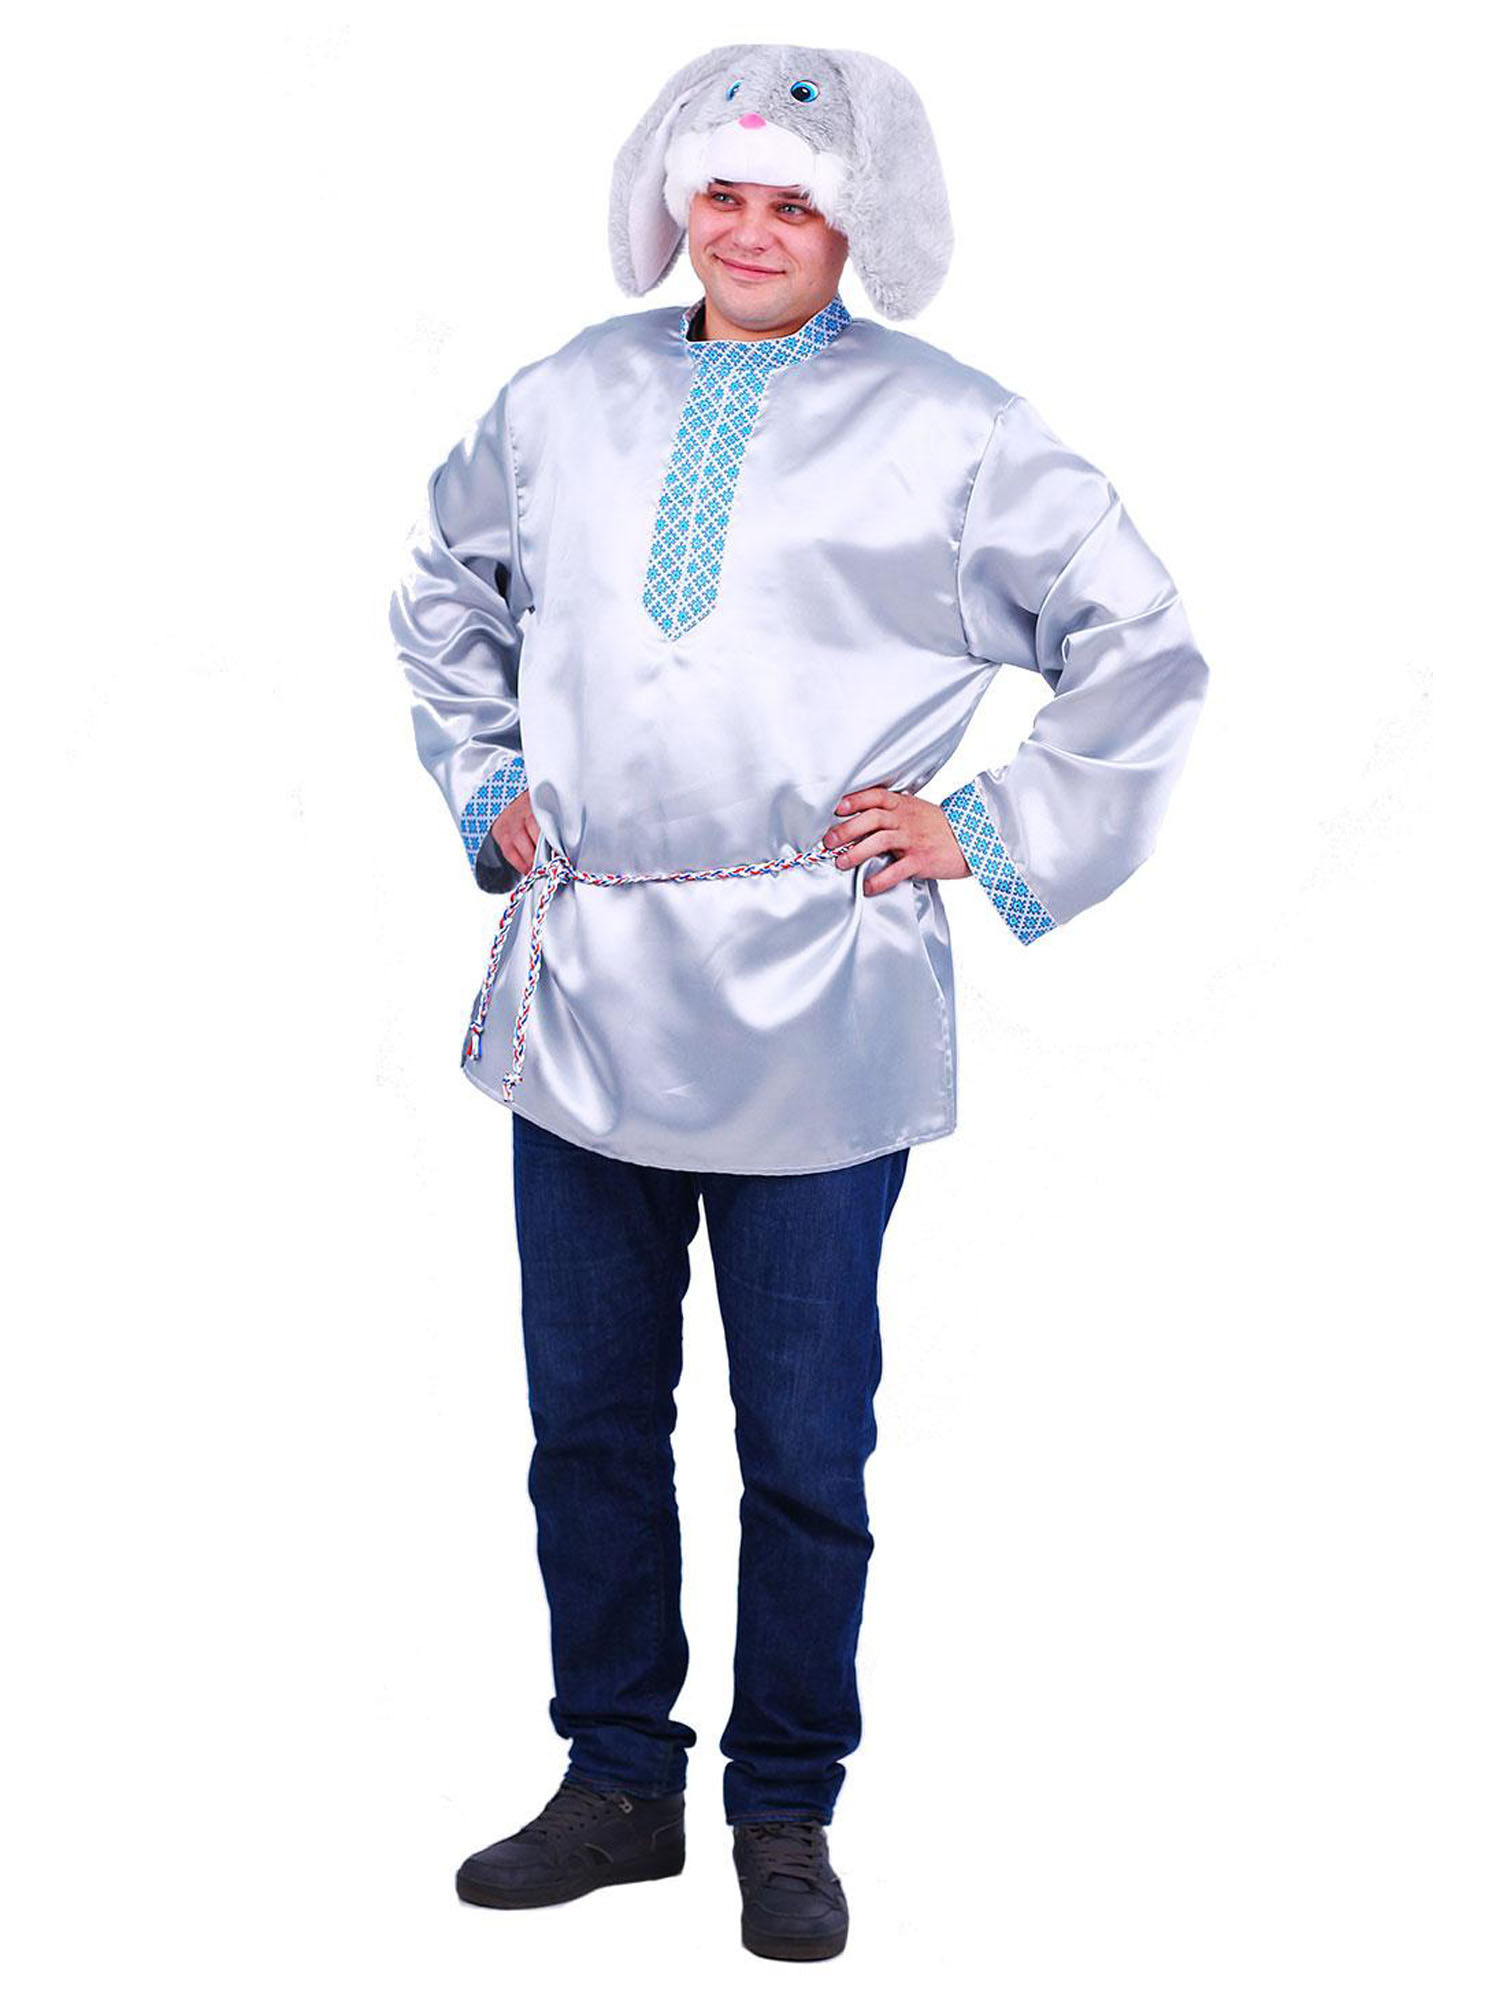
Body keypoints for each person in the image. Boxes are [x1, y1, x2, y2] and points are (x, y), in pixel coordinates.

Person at [389, 42, 1209, 1962]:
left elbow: (1141, 641)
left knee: (803, 1445)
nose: (751, 234)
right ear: (673, 197)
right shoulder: (564, 401)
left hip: (818, 1002)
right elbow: (446, 588)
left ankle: (785, 1805)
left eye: (795, 205)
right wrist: (486, 781)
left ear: (862, 223)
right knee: (590, 1422)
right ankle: (616, 1778)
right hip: (588, 991)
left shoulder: (954, 432)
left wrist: (979, 830)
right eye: (724, 195)